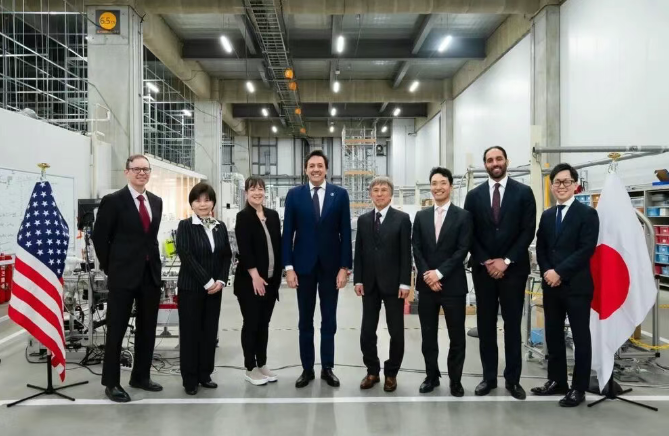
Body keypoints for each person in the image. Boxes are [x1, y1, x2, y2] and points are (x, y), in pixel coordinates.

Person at [463, 146, 536, 400]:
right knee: (486, 326)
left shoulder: (524, 193)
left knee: (513, 325)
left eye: (499, 159)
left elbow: (528, 230)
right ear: (485, 164)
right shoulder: (474, 196)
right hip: (483, 271)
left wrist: (505, 261)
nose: (495, 163)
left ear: (507, 161)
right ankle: (489, 378)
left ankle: (513, 380)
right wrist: (486, 260)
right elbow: (469, 232)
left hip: (513, 270)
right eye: (490, 160)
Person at [92, 154, 164, 403]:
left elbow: (150, 239)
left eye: (145, 169)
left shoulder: (156, 201)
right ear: (127, 172)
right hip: (122, 276)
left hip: (150, 275)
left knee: (148, 328)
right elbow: (100, 237)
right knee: (116, 329)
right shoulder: (113, 201)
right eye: (136, 169)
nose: (141, 173)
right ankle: (111, 382)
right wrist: (111, 267)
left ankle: (141, 376)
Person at [282, 149, 352, 388]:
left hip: (331, 269)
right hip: (303, 268)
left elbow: (346, 233)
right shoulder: (294, 195)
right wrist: (289, 267)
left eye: (320, 165)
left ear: (326, 169)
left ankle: (327, 368)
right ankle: (307, 368)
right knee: (305, 320)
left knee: (329, 320)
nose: (315, 169)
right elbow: (287, 233)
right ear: (305, 169)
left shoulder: (340, 195)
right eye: (311, 166)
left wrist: (344, 267)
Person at [531, 163, 599, 407]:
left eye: (566, 181)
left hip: (576, 286)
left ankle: (578, 388)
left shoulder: (587, 214)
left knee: (580, 337)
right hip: (552, 286)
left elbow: (586, 249)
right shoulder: (548, 215)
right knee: (553, 335)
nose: (561, 186)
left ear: (575, 185)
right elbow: (541, 247)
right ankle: (557, 381)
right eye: (557, 182)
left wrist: (559, 271)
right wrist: (548, 271)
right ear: (551, 186)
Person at [412, 167, 473, 395]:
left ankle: (455, 380)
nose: (438, 187)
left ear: (450, 186)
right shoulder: (421, 216)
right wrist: (428, 274)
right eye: (434, 183)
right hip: (427, 286)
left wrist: (439, 273)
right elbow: (416, 248)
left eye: (443, 183)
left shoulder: (463, 216)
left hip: (453, 285)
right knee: (428, 335)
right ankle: (431, 376)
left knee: (456, 336)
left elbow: (462, 250)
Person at [354, 177, 412, 392]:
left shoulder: (402, 219)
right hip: (369, 285)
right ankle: (372, 371)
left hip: (394, 285)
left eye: (384, 190)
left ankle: (391, 373)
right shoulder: (363, 220)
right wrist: (358, 279)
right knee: (367, 331)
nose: (379, 194)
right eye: (376, 190)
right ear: (370, 194)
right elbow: (359, 252)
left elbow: (406, 253)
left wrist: (405, 282)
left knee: (396, 332)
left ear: (391, 194)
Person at [175, 182, 232, 395]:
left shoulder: (220, 226)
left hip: (215, 289)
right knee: (191, 333)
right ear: (191, 203)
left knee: (209, 332)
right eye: (198, 200)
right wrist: (207, 281)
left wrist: (221, 280)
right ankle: (190, 379)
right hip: (191, 288)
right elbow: (186, 255)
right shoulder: (185, 226)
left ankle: (204, 374)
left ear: (213, 203)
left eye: (207, 200)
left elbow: (226, 255)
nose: (203, 204)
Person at [234, 176, 282, 386]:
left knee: (264, 324)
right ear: (246, 193)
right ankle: (250, 367)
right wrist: (255, 276)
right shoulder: (243, 217)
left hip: (271, 282)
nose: (257, 193)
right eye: (253, 189)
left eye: (260, 189)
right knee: (251, 323)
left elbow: (278, 245)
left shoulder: (272, 215)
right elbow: (245, 249)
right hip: (250, 282)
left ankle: (262, 363)